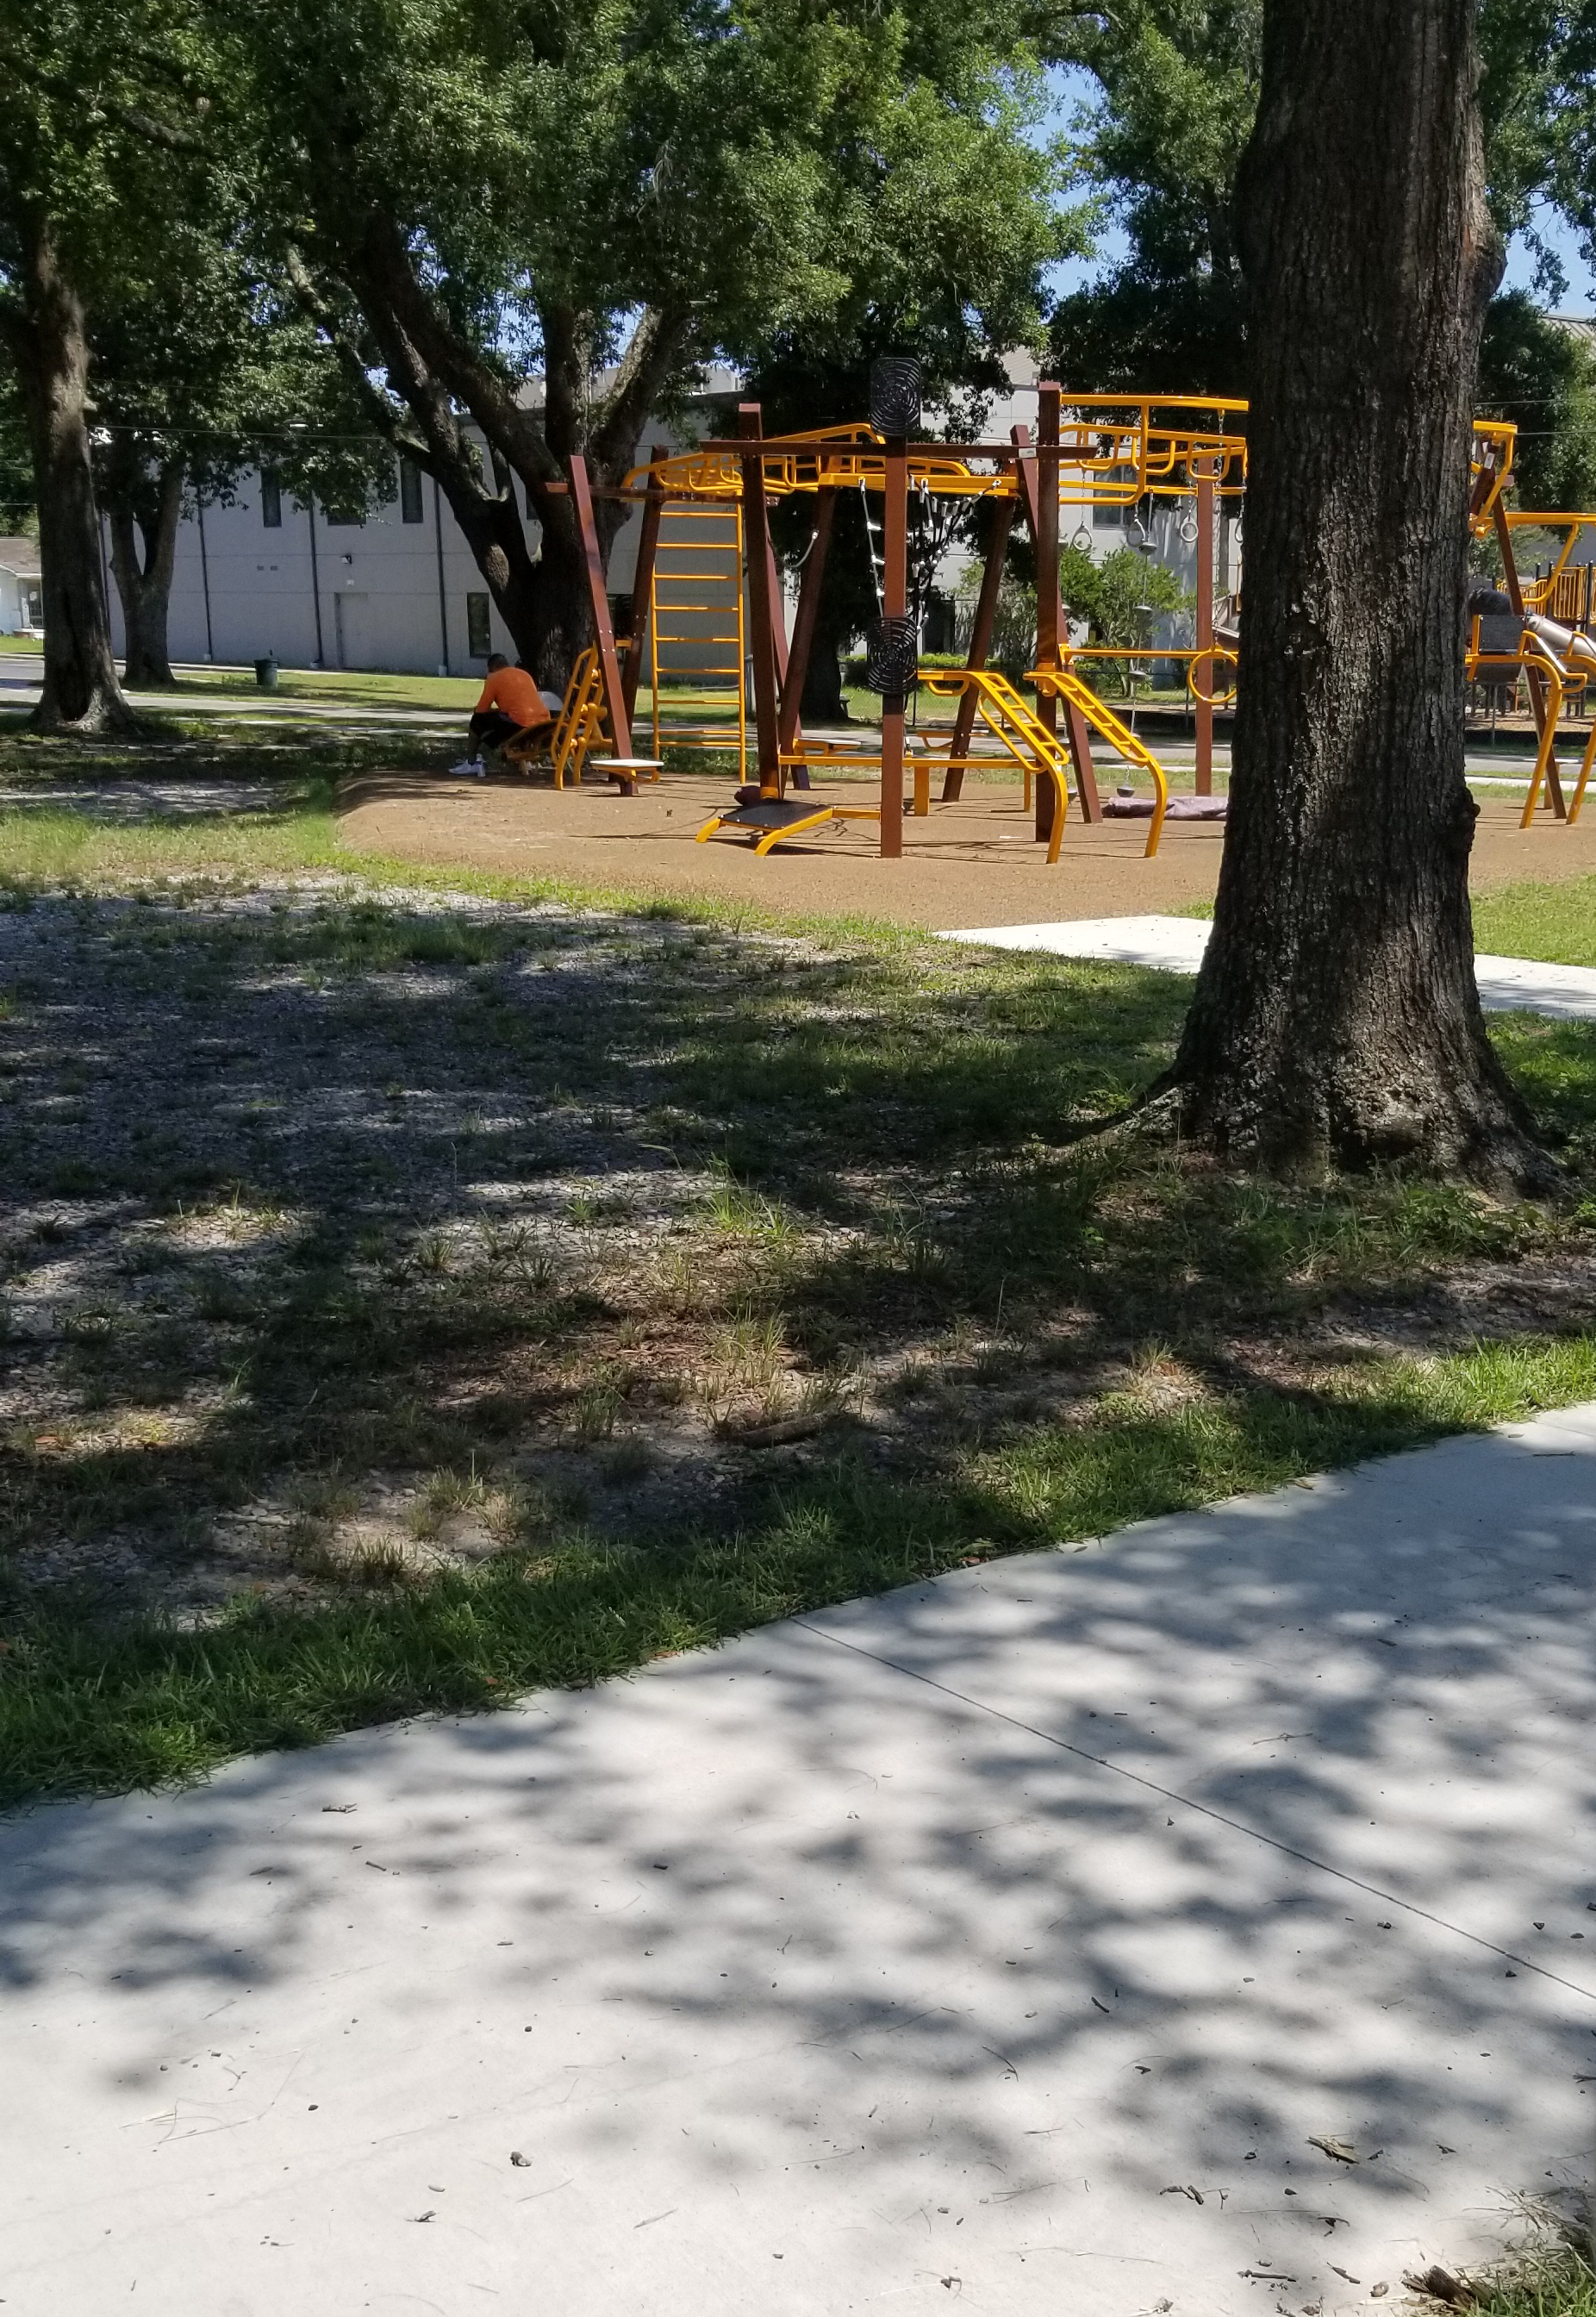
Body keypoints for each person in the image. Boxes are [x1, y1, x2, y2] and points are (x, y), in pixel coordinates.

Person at [453, 654, 552, 775]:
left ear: (494, 667)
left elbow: (481, 710)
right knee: (501, 718)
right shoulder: (524, 675)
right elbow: (520, 704)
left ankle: (471, 762)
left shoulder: (494, 678)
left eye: (489, 670)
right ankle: (520, 761)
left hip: (520, 723)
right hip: (543, 722)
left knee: (476, 721)